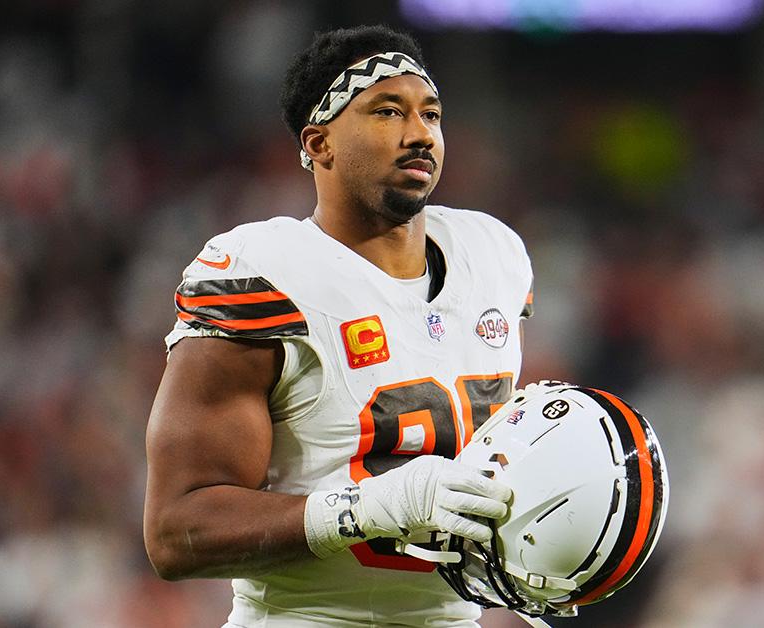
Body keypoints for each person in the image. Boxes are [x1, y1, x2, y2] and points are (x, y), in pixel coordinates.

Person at [142, 24, 534, 627]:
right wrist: (367, 509)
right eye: (387, 112)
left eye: (431, 114)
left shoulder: (494, 256)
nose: (419, 134)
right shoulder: (264, 272)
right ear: (319, 143)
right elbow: (176, 530)